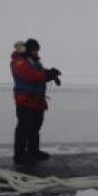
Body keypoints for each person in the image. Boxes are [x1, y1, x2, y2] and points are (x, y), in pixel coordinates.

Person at [10, 38, 61, 166]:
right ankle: (19, 155)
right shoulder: (19, 61)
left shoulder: (33, 61)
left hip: (37, 101)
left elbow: (40, 72)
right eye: (34, 50)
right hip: (25, 100)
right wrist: (47, 74)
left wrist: (51, 74)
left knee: (35, 127)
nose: (36, 52)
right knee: (24, 128)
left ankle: (33, 151)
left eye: (37, 50)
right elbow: (30, 76)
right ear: (28, 49)